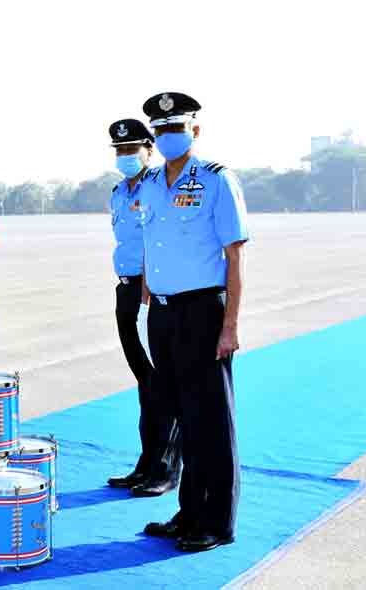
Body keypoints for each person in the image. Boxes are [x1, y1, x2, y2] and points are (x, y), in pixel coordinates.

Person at [136, 92, 249, 554]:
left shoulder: (217, 180)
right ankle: (189, 511)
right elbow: (151, 243)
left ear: (195, 131)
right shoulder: (148, 184)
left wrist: (230, 325)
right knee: (181, 415)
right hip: (163, 313)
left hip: (204, 311)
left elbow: (235, 256)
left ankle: (217, 520)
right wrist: (147, 292)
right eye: (159, 130)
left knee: (211, 421)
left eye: (175, 128)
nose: (167, 137)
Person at [105, 118, 183, 497]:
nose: (124, 156)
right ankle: (147, 463)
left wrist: (149, 289)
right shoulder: (118, 191)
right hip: (126, 288)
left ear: (149, 150)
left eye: (131, 149)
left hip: (149, 290)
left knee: (163, 383)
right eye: (118, 150)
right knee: (145, 382)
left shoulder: (158, 187)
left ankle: (167, 469)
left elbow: (161, 237)